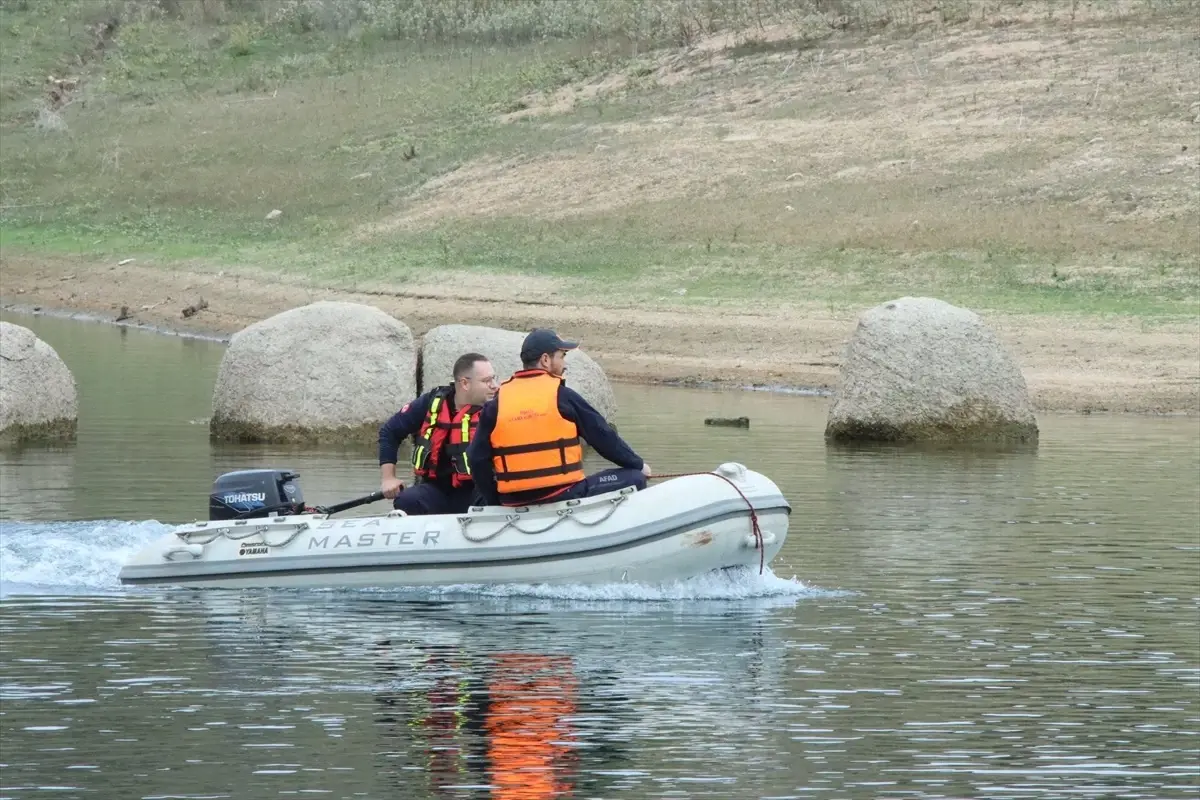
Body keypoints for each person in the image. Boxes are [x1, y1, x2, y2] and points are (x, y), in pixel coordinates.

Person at [465, 329, 651, 508]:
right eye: (561, 356)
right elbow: (603, 436)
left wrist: (494, 500)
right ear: (545, 360)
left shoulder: (496, 403)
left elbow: (476, 458)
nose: (564, 364)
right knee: (634, 477)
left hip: (512, 500)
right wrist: (638, 465)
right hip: (563, 494)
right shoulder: (563, 396)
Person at [377, 352, 498, 515]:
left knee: (496, 497)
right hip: (435, 492)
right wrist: (388, 478)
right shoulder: (432, 403)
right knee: (407, 500)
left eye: (493, 379)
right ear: (465, 383)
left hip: (477, 493)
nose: (495, 386)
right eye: (487, 381)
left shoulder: (497, 410)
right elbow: (389, 431)